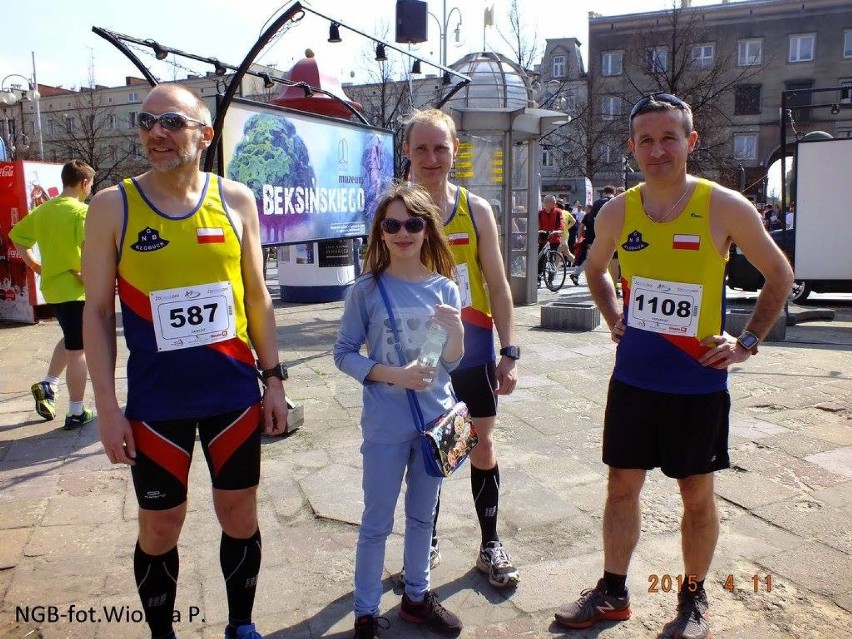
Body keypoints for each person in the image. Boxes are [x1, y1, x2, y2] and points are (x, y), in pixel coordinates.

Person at [554, 93, 793, 639]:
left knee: (696, 495)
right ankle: (613, 592)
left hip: (697, 380)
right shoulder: (617, 211)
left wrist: (748, 342)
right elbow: (595, 269)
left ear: (691, 141)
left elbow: (780, 274)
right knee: (620, 487)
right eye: (646, 139)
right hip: (635, 379)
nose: (657, 149)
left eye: (668, 138)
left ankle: (692, 598)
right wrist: (613, 314)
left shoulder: (723, 206)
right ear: (632, 146)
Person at [82, 84, 288, 639]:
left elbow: (257, 296)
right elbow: (97, 314)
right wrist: (106, 407)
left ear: (206, 134)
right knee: (160, 526)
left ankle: (241, 625)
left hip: (233, 396)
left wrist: (274, 380)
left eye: (172, 121)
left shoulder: (238, 200)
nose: (157, 133)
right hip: (157, 406)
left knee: (240, 515)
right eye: (146, 122)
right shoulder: (111, 205)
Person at [334, 182, 465, 639]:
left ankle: (416, 596)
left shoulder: (446, 287)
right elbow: (344, 353)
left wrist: (457, 336)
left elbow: (447, 362)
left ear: (428, 229)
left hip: (434, 422)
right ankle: (366, 612)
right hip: (386, 424)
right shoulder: (366, 290)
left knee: (422, 517)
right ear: (381, 233)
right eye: (392, 224)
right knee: (376, 521)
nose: (403, 232)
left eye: (413, 223)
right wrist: (394, 374)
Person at [403, 108, 520, 589]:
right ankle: (424, 540)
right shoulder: (395, 210)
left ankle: (489, 543)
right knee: (426, 450)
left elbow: (496, 282)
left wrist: (509, 351)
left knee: (481, 444)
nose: (432, 158)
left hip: (472, 348)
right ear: (407, 153)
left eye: (441, 148)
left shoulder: (476, 209)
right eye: (422, 149)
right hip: (421, 353)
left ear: (455, 151)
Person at [10, 159, 96, 428]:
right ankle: (76, 411)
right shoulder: (81, 212)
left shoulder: (44, 209)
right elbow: (89, 249)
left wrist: (36, 266)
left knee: (71, 339)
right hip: (76, 291)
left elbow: (18, 238)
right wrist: (88, 276)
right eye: (90, 184)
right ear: (84, 183)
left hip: (53, 289)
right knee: (79, 351)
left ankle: (48, 384)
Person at [570, 185, 615, 286]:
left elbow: (585, 223)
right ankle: (604, 281)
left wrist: (580, 236)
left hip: (592, 234)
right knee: (605, 258)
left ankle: (577, 274)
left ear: (603, 192)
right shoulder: (614, 201)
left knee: (592, 256)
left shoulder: (596, 203)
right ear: (613, 192)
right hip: (607, 234)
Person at [537, 195, 565, 282]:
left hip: (554, 238)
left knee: (551, 257)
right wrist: (538, 231)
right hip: (543, 238)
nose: (555, 203)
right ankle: (538, 277)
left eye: (555, 202)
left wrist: (558, 231)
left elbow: (561, 223)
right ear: (546, 203)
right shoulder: (540, 213)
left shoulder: (558, 212)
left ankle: (551, 275)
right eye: (553, 202)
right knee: (541, 258)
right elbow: (537, 224)